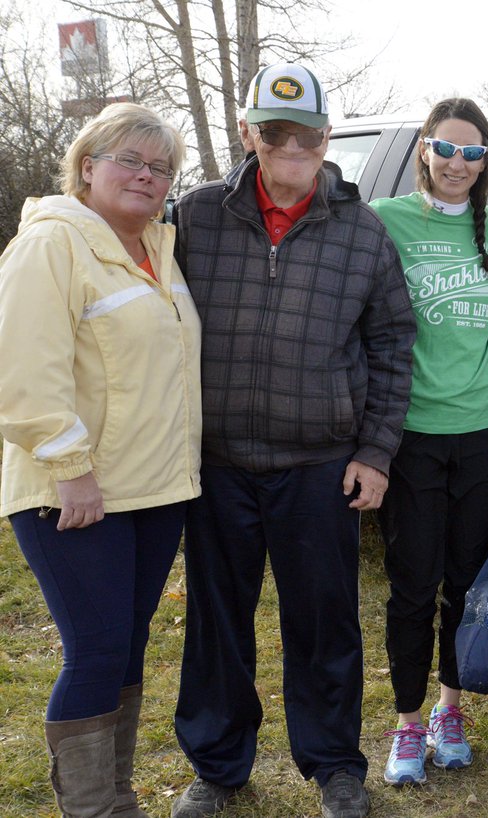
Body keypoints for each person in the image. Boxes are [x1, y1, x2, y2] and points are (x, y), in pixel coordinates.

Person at [169, 63, 415, 818]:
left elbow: (393, 343)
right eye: (274, 133)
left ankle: (335, 765)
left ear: (325, 138)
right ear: (249, 134)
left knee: (325, 625)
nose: (290, 147)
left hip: (318, 465)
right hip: (216, 464)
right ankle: (218, 765)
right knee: (216, 625)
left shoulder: (361, 229)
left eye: (305, 134)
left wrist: (375, 454)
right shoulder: (196, 216)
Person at [0, 102, 199, 817]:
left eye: (161, 168)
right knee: (96, 647)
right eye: (130, 162)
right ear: (88, 168)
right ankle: (96, 810)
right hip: (75, 491)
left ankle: (117, 796)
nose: (147, 177)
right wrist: (70, 467)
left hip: (152, 489)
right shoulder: (52, 245)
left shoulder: (159, 250)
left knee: (127, 646)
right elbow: (22, 369)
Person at [367, 98, 488, 786]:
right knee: (412, 586)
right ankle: (406, 724)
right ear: (424, 149)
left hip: (485, 432)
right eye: (445, 149)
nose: (458, 163)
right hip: (413, 435)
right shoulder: (386, 222)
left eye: (471, 152)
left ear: (487, 160)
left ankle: (451, 711)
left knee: (468, 582)